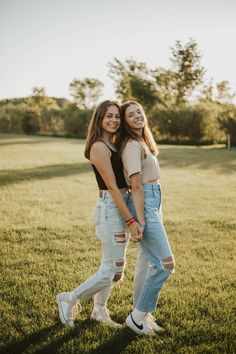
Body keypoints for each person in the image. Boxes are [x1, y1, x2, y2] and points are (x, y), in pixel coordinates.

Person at [56, 100, 142, 327]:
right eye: (108, 117)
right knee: (110, 270)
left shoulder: (113, 143)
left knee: (115, 268)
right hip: (110, 209)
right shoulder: (98, 146)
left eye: (116, 116)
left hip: (120, 204)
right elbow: (112, 187)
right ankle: (69, 298)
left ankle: (99, 310)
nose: (114, 120)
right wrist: (131, 219)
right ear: (99, 120)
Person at [117, 100, 175, 335]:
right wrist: (138, 221)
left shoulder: (142, 141)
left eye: (139, 111)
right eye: (131, 115)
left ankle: (143, 314)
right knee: (165, 264)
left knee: (150, 262)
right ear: (125, 122)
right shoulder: (131, 145)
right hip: (145, 202)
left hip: (154, 199)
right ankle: (137, 316)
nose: (138, 116)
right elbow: (136, 186)